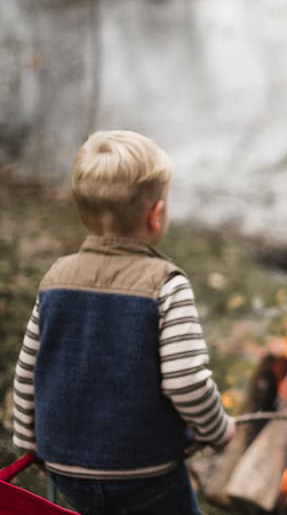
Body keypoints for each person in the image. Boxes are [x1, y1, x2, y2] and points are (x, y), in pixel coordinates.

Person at [12, 130, 236, 514]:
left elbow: (28, 368)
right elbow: (186, 381)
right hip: (143, 471)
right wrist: (217, 431)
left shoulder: (54, 278)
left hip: (65, 466)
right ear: (156, 215)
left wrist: (28, 439)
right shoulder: (166, 284)